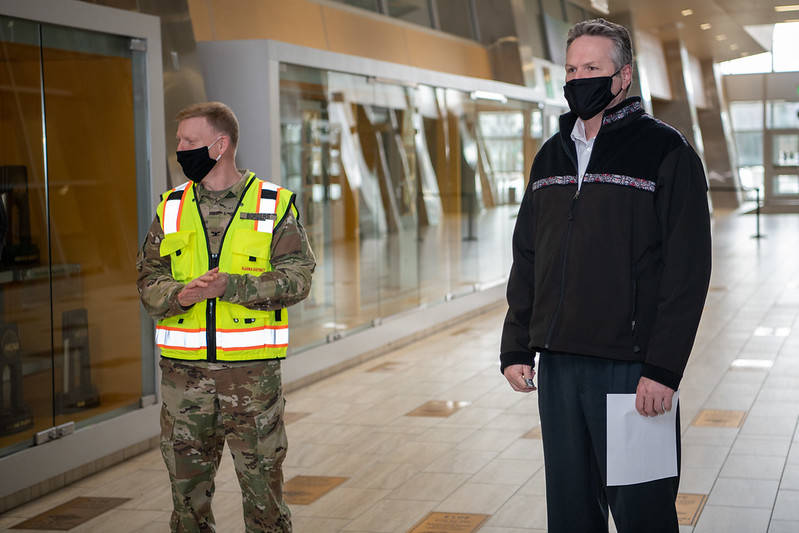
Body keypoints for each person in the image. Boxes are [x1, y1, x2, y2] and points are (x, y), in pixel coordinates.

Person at [500, 18, 711, 533]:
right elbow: (528, 254)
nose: (579, 79)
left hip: (630, 370)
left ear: (624, 77)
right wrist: (515, 346)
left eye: (592, 67)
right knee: (571, 514)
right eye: (572, 69)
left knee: (643, 515)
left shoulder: (667, 152)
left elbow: (688, 271)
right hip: (560, 366)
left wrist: (663, 368)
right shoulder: (550, 155)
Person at [137, 101, 315, 533]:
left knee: (264, 499)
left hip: (251, 383)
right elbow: (147, 279)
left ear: (220, 145)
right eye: (179, 141)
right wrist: (181, 294)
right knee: (187, 503)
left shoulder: (273, 204)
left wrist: (231, 287)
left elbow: (298, 277)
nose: (180, 149)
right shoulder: (171, 207)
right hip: (184, 383)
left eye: (189, 141)